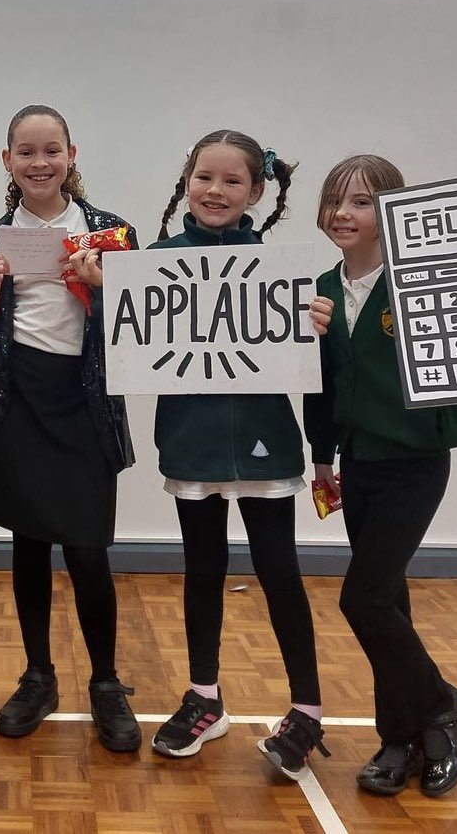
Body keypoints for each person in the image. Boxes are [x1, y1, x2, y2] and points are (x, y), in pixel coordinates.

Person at [148, 129, 329, 780]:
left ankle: (306, 709)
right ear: (186, 180)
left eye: (232, 181)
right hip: (190, 437)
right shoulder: (156, 262)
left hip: (264, 440)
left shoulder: (285, 274)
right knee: (202, 568)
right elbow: (134, 335)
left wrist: (313, 323)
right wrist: (105, 289)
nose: (215, 191)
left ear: (256, 192)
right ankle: (204, 698)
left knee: (280, 571)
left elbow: (307, 357)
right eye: (204, 177)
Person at [0, 104, 141, 752]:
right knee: (29, 543)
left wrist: (100, 289)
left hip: (83, 403)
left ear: (72, 155)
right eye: (26, 152)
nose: (39, 163)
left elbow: (139, 335)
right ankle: (38, 676)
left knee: (89, 549)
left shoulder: (114, 234)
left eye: (51, 150)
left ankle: (105, 682)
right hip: (18, 402)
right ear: (7, 160)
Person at [305, 154, 457, 797]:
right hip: (358, 461)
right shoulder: (318, 285)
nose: (343, 213)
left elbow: (456, 367)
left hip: (416, 461)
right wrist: (322, 454)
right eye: (334, 201)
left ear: (393, 212)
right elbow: (318, 385)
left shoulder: (422, 283)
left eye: (362, 202)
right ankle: (398, 739)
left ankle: (441, 705)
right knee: (390, 602)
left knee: (363, 598)